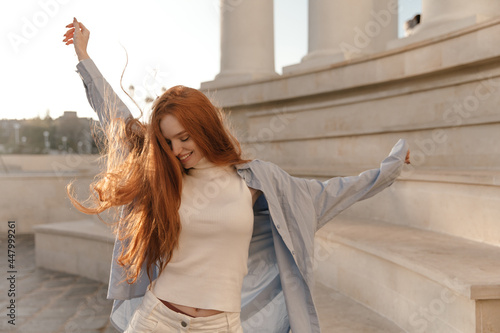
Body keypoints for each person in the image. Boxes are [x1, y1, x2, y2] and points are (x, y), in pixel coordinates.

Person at [63, 17, 410, 333]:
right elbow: (116, 117)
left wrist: (387, 170)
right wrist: (84, 56)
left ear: (205, 127)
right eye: (169, 141)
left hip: (220, 326)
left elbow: (330, 192)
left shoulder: (257, 183)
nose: (178, 149)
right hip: (157, 320)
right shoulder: (167, 176)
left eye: (185, 137)